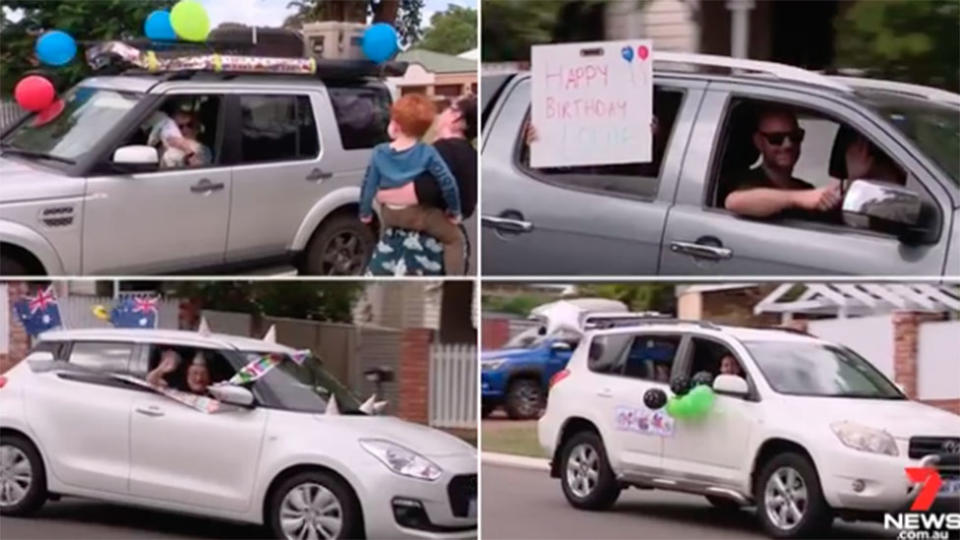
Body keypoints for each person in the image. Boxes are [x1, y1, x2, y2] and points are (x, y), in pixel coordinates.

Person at [358, 94, 464, 274]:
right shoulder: (427, 152)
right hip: (417, 215)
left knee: (386, 236)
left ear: (396, 125)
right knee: (454, 238)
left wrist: (365, 212)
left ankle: (386, 262)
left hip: (389, 213)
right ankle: (455, 278)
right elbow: (448, 183)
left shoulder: (379, 152)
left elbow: (368, 185)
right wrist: (454, 211)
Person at [723, 106, 843, 221]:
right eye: (776, 138)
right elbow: (734, 202)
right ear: (759, 142)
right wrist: (800, 198)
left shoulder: (805, 188)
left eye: (795, 137)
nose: (788, 145)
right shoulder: (744, 181)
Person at [146, 350, 211, 395]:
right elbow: (151, 381)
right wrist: (161, 369)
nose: (198, 378)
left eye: (203, 374)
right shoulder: (176, 383)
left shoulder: (215, 392)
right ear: (187, 373)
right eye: (194, 373)